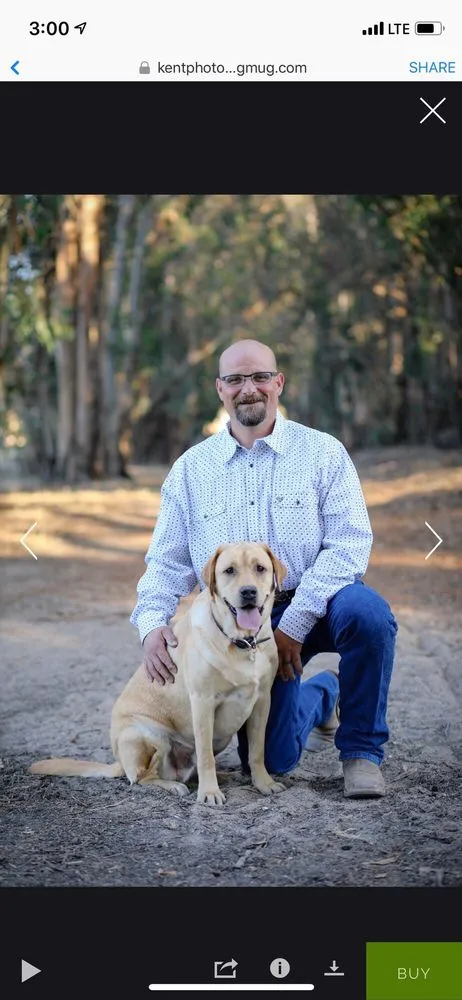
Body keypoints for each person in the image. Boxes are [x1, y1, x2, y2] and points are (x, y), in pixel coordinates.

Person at [130, 339, 398, 798]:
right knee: (277, 759)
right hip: (237, 626)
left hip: (318, 604)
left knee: (369, 616)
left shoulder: (323, 453)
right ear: (220, 389)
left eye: (258, 377)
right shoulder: (191, 471)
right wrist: (152, 622)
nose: (247, 389)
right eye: (235, 379)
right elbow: (167, 560)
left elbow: (350, 544)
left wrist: (293, 622)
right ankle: (323, 696)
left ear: (278, 383)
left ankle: (361, 754)